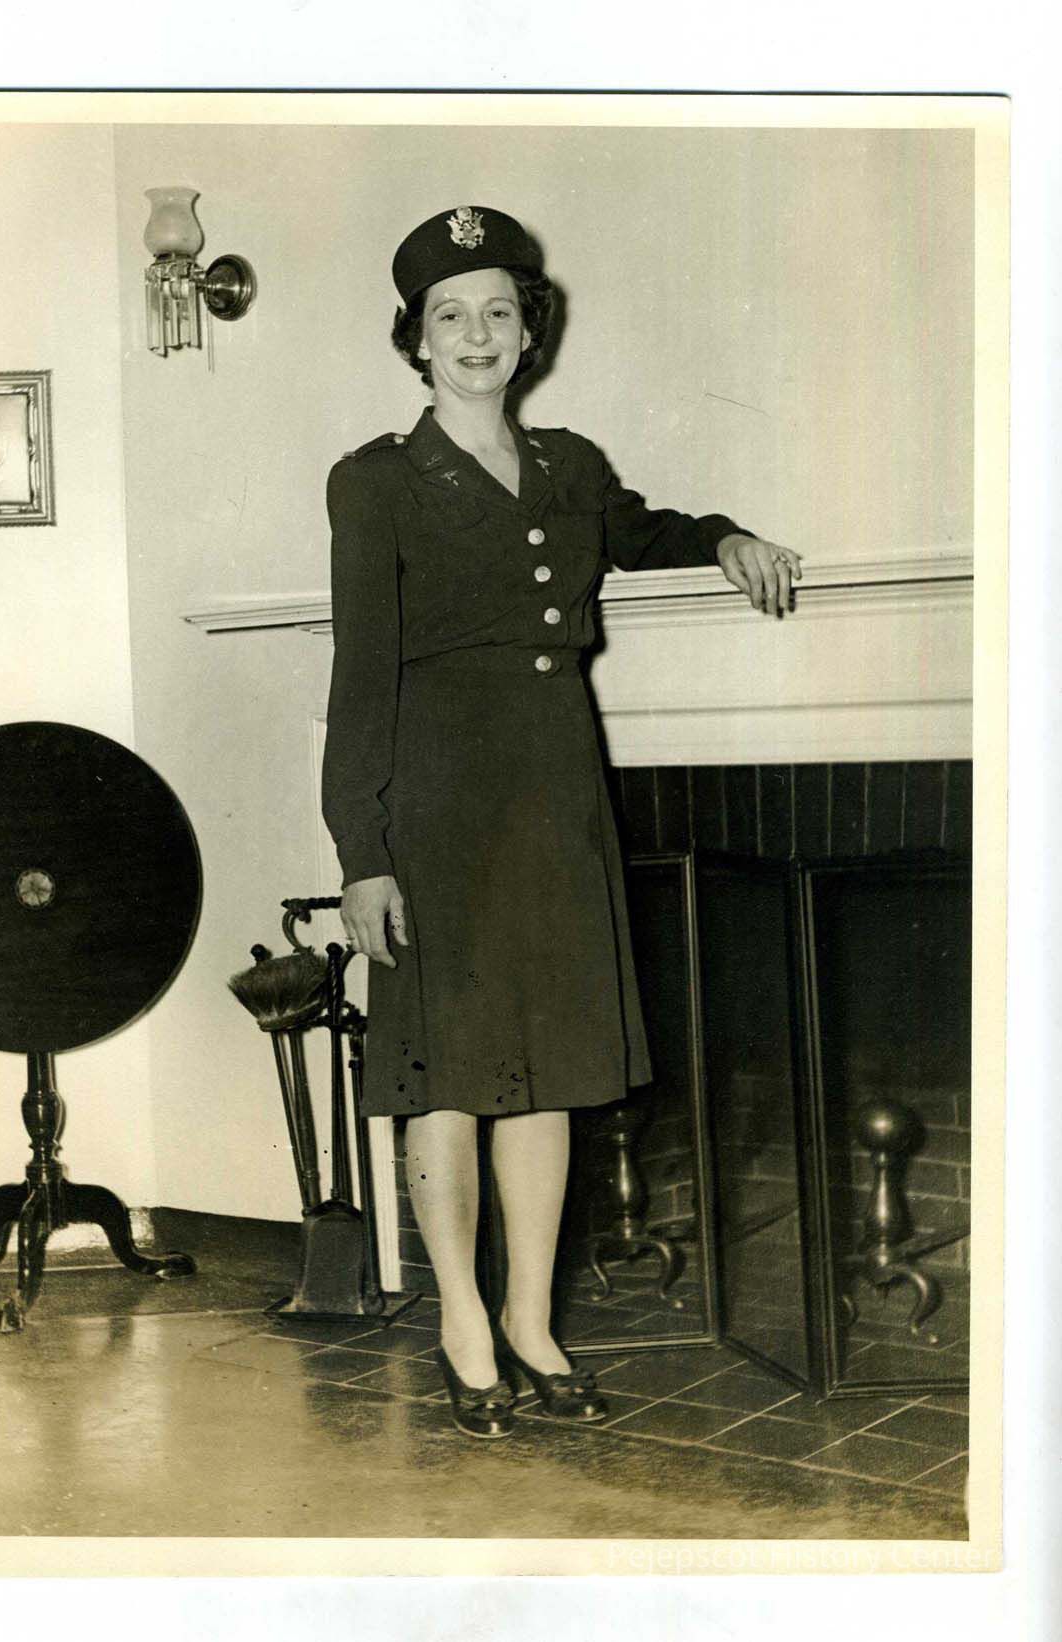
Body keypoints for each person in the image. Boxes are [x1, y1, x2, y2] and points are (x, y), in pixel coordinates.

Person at [322, 205, 802, 1438]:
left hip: (554, 796)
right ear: (417, 340)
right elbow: (358, 677)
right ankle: (462, 1327)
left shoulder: (569, 466)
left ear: (529, 332)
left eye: (499, 310)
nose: (477, 334)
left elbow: (641, 531)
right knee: (446, 1077)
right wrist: (363, 854)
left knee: (546, 1072)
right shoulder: (376, 482)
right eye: (450, 315)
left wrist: (726, 536)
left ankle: (532, 1323)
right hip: (436, 805)